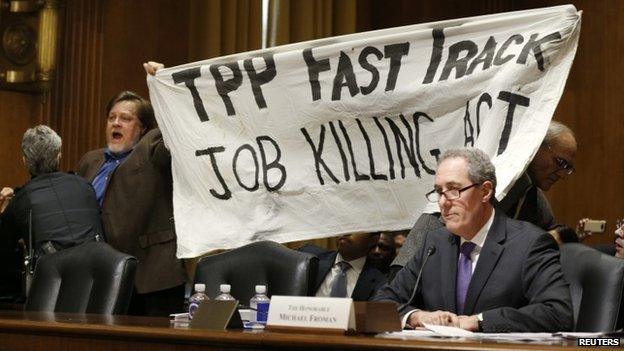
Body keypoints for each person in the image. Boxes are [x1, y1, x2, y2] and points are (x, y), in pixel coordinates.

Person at [375, 148, 573, 332]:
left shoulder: (530, 243)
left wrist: (478, 321)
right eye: (439, 191)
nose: (444, 202)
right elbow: (381, 303)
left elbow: (557, 313)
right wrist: (416, 316)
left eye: (454, 189)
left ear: (485, 192)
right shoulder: (435, 243)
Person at [391, 120, 578, 277]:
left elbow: (552, 232)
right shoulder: (495, 176)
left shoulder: (532, 194)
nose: (562, 174)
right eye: (560, 162)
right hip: (422, 267)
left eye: (568, 168)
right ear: (537, 146)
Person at [76, 90, 186, 316]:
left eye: (125, 119)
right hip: (103, 277)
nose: (116, 123)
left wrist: (163, 89)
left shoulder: (152, 148)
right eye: (111, 118)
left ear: (143, 128)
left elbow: (175, 138)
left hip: (151, 278)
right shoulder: (90, 161)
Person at [0, 125, 103, 302]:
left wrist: (3, 212)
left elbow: (3, 250)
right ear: (59, 156)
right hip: (99, 286)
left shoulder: (22, 199)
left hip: (53, 293)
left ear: (24, 161)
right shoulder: (85, 186)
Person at [312, 233, 387, 301]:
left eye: (355, 228)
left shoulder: (380, 283)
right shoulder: (312, 260)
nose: (346, 232)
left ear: (373, 240)